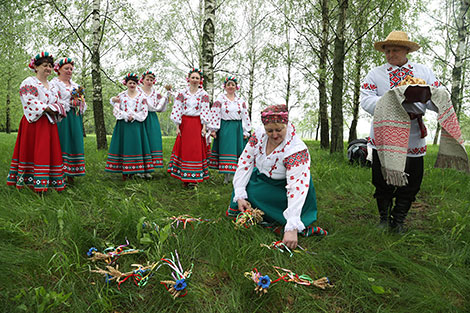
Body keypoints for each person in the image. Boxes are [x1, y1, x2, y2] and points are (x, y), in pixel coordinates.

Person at [360, 31, 441, 233]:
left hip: (413, 135)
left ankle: (399, 220)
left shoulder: (423, 72)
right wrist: (392, 100)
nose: (390, 54)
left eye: (395, 49)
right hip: (384, 133)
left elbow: (436, 98)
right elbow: (365, 100)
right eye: (387, 50)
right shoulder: (375, 74)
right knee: (382, 178)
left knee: (412, 180)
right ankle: (384, 219)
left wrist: (426, 97)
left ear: (406, 50)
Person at [227, 105, 327, 250]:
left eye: (279, 130)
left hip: (284, 189)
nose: (274, 135)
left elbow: (296, 186)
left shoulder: (296, 149)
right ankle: (254, 209)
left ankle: (282, 217)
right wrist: (240, 194)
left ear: (286, 125)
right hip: (263, 179)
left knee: (259, 197)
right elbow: (246, 161)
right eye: (270, 131)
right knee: (246, 193)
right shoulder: (258, 135)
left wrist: (292, 226)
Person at [7, 52, 66, 192]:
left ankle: (47, 181)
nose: (48, 69)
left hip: (48, 123)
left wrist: (56, 108)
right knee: (35, 150)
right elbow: (29, 100)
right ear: (36, 67)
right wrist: (47, 108)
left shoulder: (53, 86)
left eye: (50, 66)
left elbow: (58, 102)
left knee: (47, 151)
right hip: (34, 123)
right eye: (45, 65)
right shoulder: (29, 82)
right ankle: (31, 182)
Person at [105, 73, 154, 180]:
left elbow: (144, 110)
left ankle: (133, 171)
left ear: (137, 84)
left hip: (137, 125)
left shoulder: (142, 96)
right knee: (124, 146)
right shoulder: (121, 95)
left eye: (134, 83)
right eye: (130, 83)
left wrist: (135, 116)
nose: (132, 85)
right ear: (126, 84)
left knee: (135, 147)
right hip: (123, 124)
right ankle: (124, 172)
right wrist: (126, 116)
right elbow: (116, 108)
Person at [167, 68, 211, 187]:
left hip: (197, 123)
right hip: (185, 123)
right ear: (189, 79)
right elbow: (177, 109)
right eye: (193, 77)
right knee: (184, 149)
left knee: (195, 149)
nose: (195, 80)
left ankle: (194, 178)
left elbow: (205, 110)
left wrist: (204, 126)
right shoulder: (182, 93)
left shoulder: (204, 94)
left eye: (197, 78)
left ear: (200, 80)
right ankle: (184, 176)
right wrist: (177, 126)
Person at [208, 76, 251, 184]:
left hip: (237, 128)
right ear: (225, 87)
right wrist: (213, 129)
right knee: (226, 150)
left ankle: (235, 177)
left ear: (236, 87)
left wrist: (246, 130)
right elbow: (215, 114)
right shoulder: (220, 99)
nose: (231, 87)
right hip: (225, 127)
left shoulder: (241, 101)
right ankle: (226, 177)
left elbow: (245, 115)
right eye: (229, 85)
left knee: (237, 151)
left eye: (233, 85)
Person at [50, 57, 87, 184]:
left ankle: (72, 173)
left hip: (75, 117)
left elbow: (83, 104)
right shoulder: (54, 84)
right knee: (62, 141)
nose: (69, 71)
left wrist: (80, 103)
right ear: (58, 70)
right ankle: (60, 173)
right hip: (62, 117)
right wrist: (70, 102)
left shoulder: (76, 86)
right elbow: (53, 100)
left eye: (71, 69)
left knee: (74, 141)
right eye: (66, 68)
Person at [140, 70, 172, 174]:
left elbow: (161, 106)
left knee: (151, 140)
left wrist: (166, 97)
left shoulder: (156, 94)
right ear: (143, 80)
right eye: (147, 79)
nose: (149, 82)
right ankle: (139, 168)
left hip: (151, 117)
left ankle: (148, 169)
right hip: (140, 117)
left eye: (151, 80)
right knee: (141, 140)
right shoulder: (138, 91)